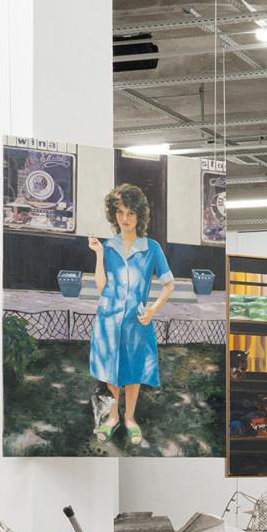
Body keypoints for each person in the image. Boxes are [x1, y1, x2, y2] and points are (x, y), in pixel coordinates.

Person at [88, 184, 174, 448]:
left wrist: (153, 310)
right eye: (120, 212)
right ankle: (112, 417)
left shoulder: (152, 248)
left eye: (130, 213)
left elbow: (169, 284)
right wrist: (99, 255)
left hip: (137, 321)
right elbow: (102, 288)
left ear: (140, 216)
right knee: (112, 371)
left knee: (134, 370)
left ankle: (130, 418)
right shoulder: (109, 247)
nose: (124, 218)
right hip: (108, 320)